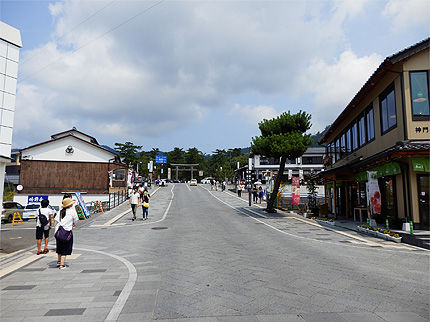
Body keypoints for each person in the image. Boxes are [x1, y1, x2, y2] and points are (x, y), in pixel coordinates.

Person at [55, 198, 79, 269]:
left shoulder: (60, 211)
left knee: (59, 248)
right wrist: (72, 224)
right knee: (65, 249)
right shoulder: (72, 212)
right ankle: (62, 265)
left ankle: (59, 261)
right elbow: (76, 220)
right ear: (70, 204)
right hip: (67, 232)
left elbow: (56, 220)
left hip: (58, 232)